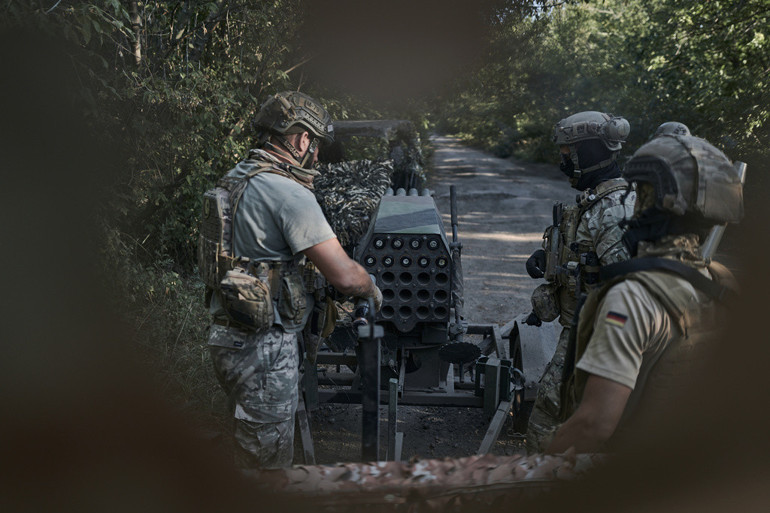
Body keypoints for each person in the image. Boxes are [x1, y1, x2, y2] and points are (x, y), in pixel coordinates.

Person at [199, 91, 382, 468]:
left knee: (246, 441)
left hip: (227, 337)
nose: (315, 154)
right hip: (264, 349)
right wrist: (371, 287)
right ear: (301, 140)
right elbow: (345, 276)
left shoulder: (236, 179)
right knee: (267, 469)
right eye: (314, 144)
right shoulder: (287, 192)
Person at [547, 134, 743, 454]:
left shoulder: (631, 298)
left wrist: (547, 456)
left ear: (651, 199)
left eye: (639, 192)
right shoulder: (725, 285)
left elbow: (593, 425)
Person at [524, 111, 635, 453]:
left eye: (567, 153)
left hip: (595, 337)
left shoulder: (613, 209)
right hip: (581, 332)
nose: (564, 162)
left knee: (546, 425)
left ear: (587, 151)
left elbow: (628, 285)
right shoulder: (595, 202)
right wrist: (553, 260)